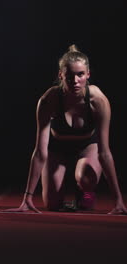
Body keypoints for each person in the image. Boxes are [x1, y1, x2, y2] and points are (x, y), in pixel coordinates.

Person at [8, 45, 127, 214]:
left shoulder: (98, 101)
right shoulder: (49, 99)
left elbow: (105, 153)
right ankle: (61, 196)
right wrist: (27, 198)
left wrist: (118, 200)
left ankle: (85, 192)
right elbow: (40, 152)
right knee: (52, 204)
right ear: (60, 75)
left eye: (80, 74)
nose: (75, 80)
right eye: (69, 75)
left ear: (88, 75)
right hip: (57, 148)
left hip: (87, 148)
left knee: (85, 178)